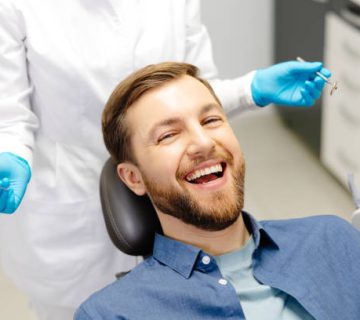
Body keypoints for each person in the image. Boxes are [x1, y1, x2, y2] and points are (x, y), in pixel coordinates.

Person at [0, 1, 330, 319]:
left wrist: (251, 88)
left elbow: (194, 94)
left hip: (172, 200)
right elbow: (9, 115)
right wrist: (11, 152)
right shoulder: (17, 7)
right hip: (70, 208)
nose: (202, 142)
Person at [75, 62, 360, 320]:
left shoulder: (333, 238)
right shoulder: (109, 314)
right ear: (133, 178)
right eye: (168, 135)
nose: (203, 143)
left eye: (211, 120)